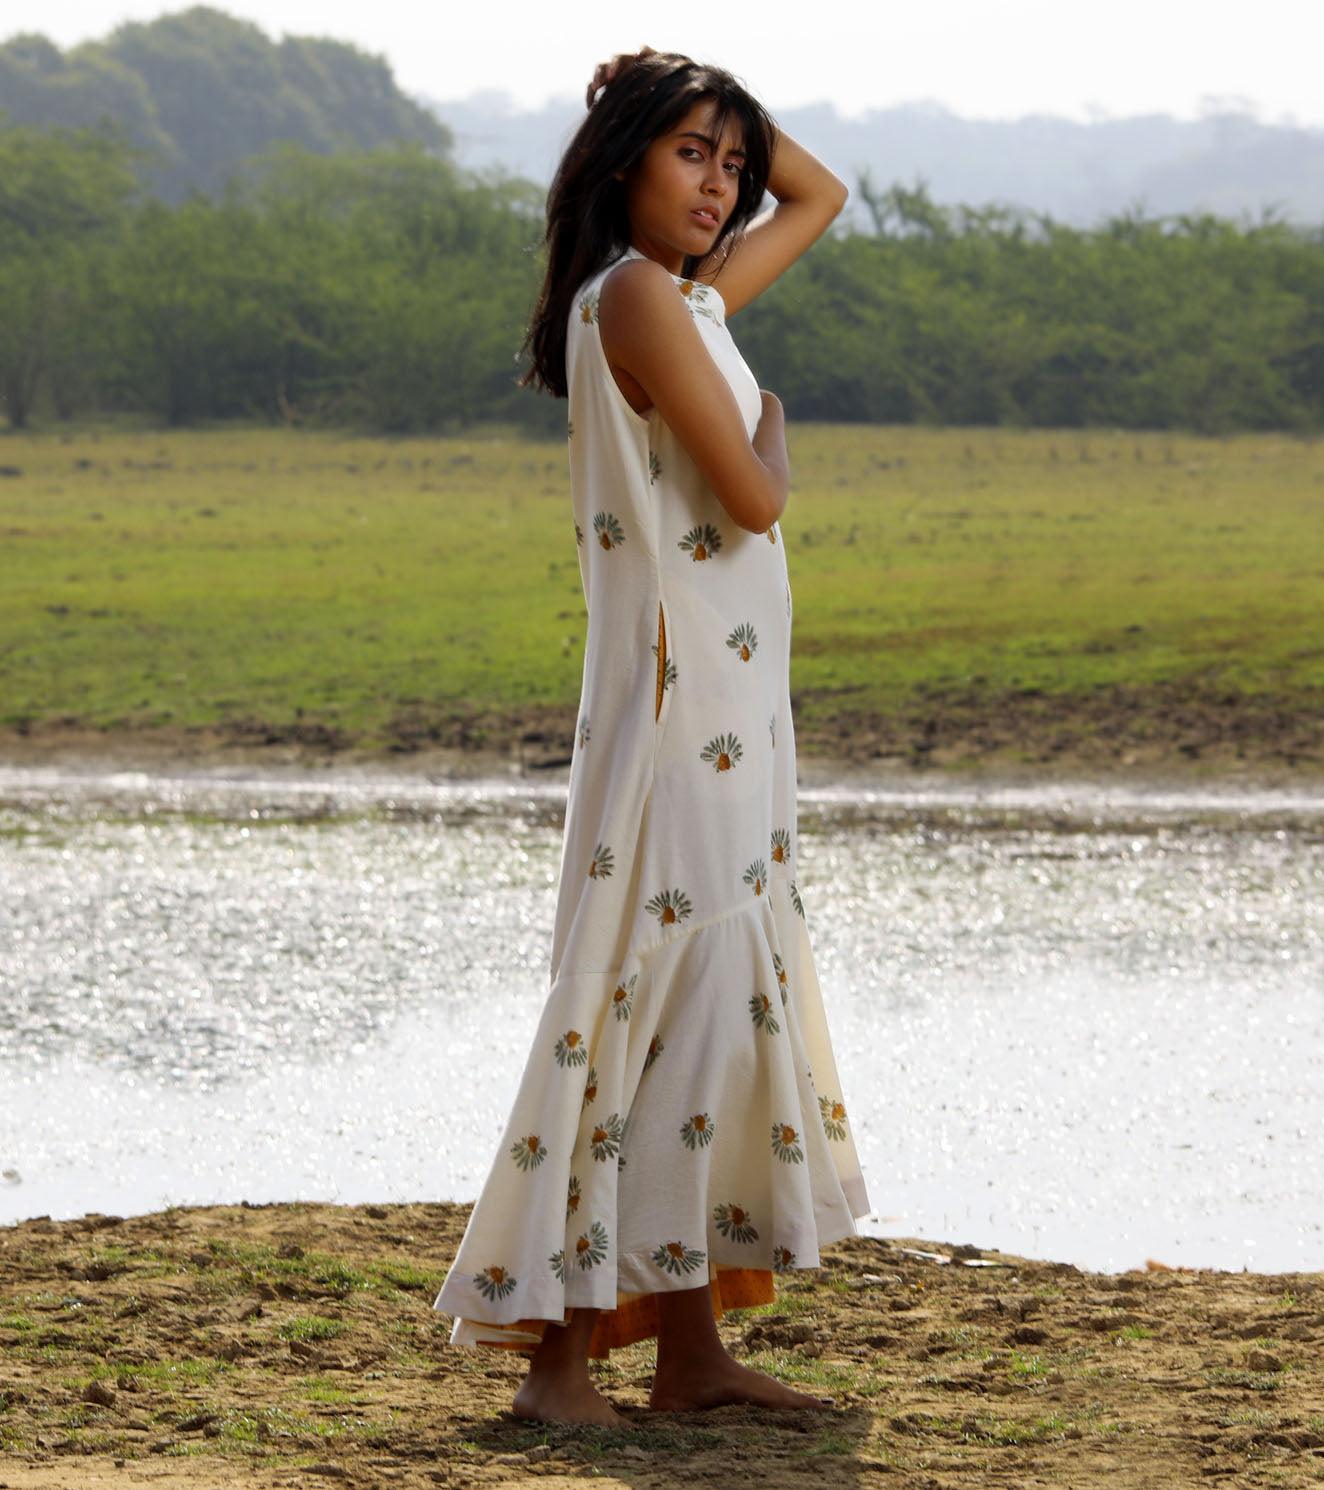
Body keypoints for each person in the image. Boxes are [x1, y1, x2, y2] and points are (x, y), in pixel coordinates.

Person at [432, 46, 871, 1429]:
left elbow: (822, 194)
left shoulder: (685, 300)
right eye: (692, 153)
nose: (725, 184)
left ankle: (690, 1352)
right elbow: (751, 500)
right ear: (622, 160)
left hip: (729, 712)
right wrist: (777, 432)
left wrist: (715, 96)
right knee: (642, 1002)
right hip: (684, 713)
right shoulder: (634, 296)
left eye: (733, 163)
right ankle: (557, 1365)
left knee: (701, 1014)